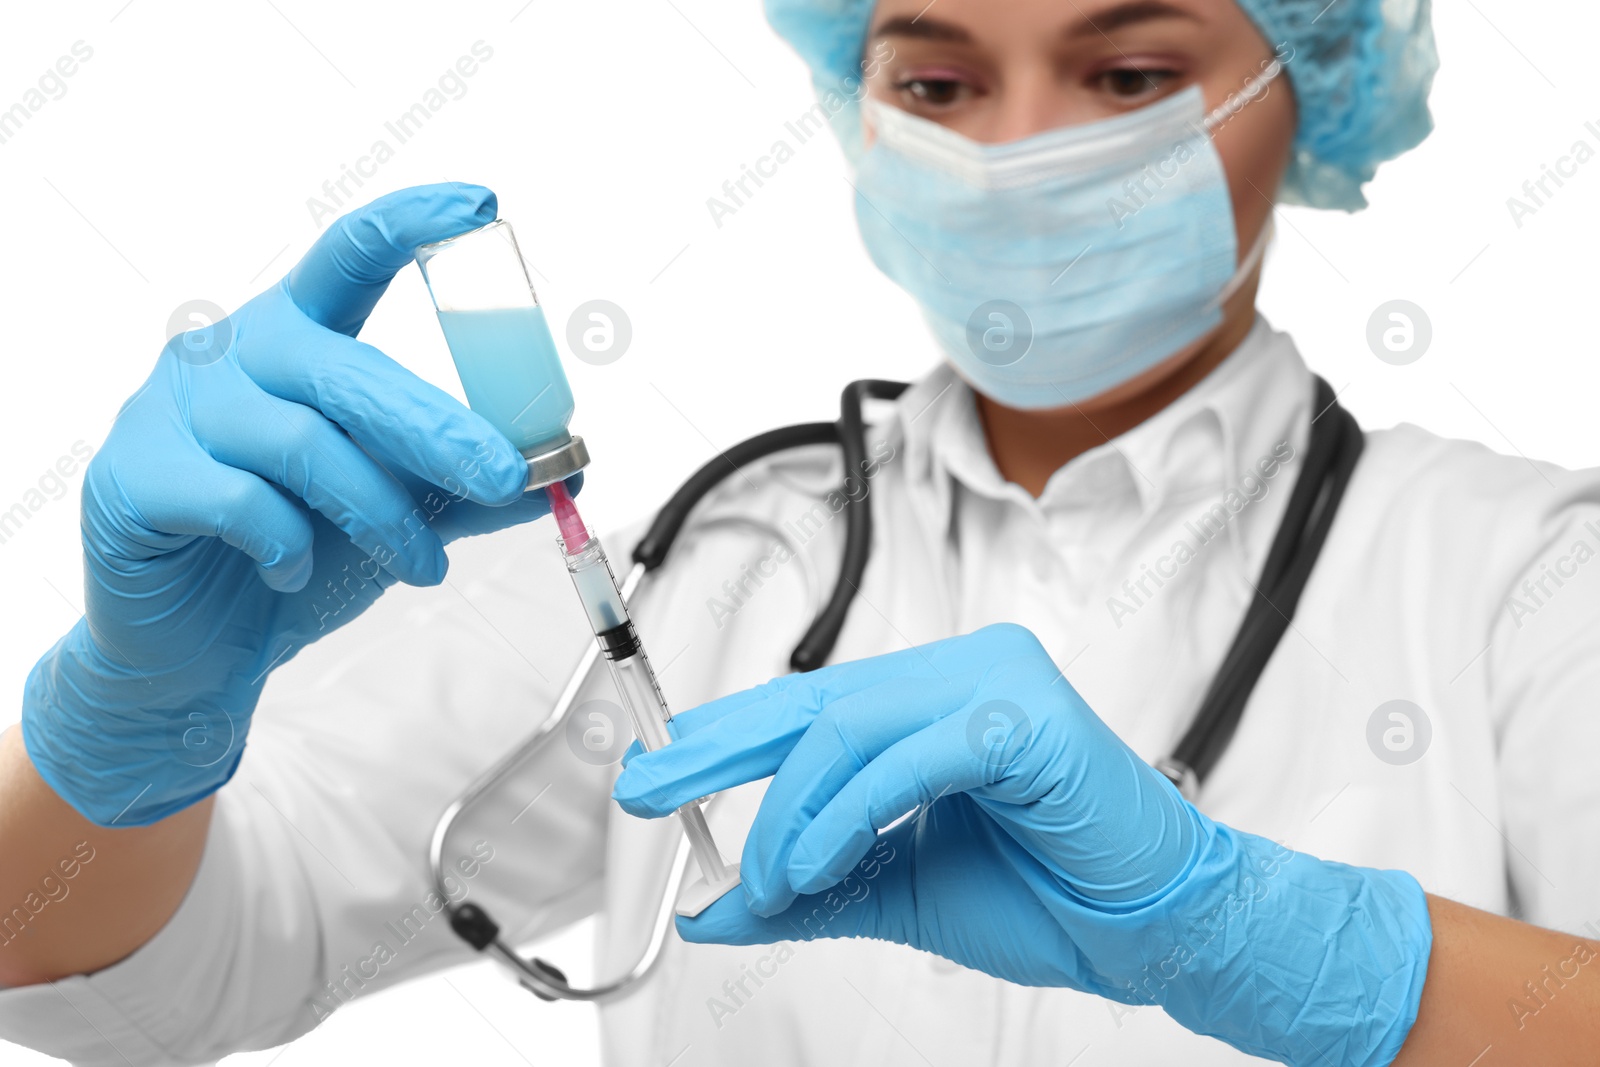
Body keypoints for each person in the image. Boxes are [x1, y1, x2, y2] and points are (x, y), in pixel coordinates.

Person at [2, 0, 1598, 1064]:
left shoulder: (1529, 580)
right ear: (857, 111)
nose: (1021, 149)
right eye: (936, 81)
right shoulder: (697, 562)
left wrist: (1299, 951)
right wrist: (120, 741)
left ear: (1302, 91)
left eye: (1126, 74)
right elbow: (156, 966)